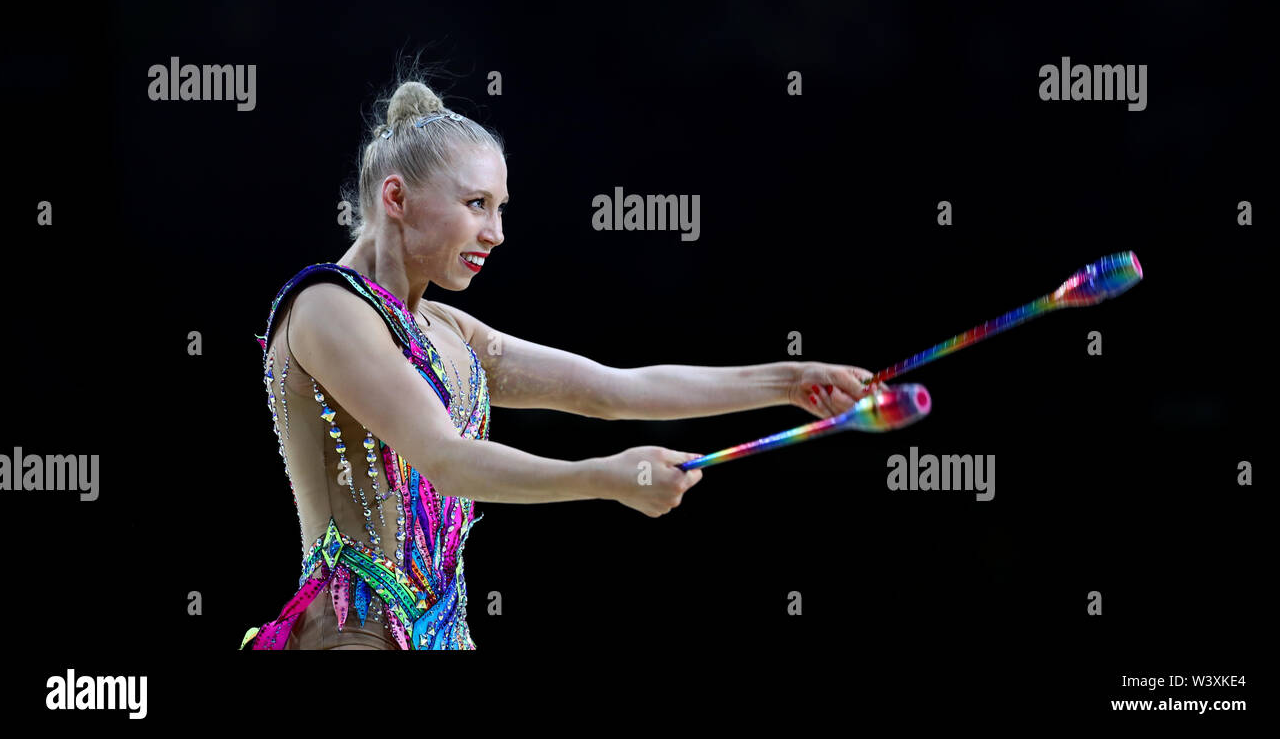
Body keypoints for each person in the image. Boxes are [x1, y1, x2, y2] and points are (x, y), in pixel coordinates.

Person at [240, 73, 880, 650]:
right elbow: (447, 460)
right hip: (350, 634)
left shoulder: (445, 329)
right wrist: (608, 478)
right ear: (397, 198)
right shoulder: (325, 307)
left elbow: (613, 390)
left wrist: (790, 381)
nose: (496, 233)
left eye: (500, 208)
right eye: (476, 205)